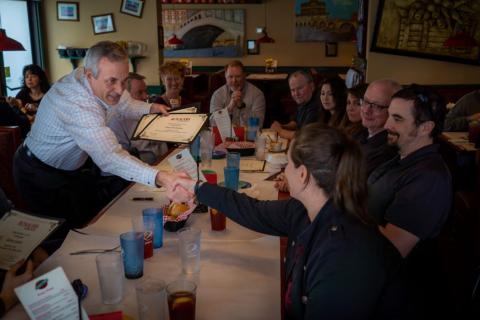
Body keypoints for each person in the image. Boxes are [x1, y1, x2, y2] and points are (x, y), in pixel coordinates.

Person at [174, 124, 407, 319]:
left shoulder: (345, 255)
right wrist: (197, 188)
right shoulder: (309, 209)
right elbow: (253, 210)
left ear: (303, 174)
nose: (284, 170)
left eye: (288, 163)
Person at [13, 41, 189, 237]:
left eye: (124, 81)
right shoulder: (76, 103)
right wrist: (162, 177)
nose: (119, 89)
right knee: (58, 238)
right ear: (89, 76)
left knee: (82, 228)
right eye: (112, 81)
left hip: (70, 173)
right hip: (37, 174)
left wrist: (151, 108)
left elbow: (125, 103)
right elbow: (110, 156)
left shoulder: (97, 76)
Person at [367, 84, 452, 317]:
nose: (386, 125)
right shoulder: (401, 157)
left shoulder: (428, 178)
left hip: (395, 296)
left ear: (426, 127)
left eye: (397, 119)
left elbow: (391, 251)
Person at [107, 72, 167, 165]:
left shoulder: (149, 110)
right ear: (125, 96)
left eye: (145, 91)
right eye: (139, 92)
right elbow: (121, 158)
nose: (145, 96)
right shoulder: (117, 121)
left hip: (162, 162)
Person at [355, 79, 401, 176]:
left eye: (376, 106)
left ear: (393, 111)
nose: (366, 110)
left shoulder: (386, 153)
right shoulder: (360, 133)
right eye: (365, 101)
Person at [210, 60, 265, 128]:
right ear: (225, 76)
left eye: (238, 76)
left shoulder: (257, 94)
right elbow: (212, 123)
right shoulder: (217, 94)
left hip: (248, 136)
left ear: (244, 75)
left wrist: (241, 107)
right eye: (230, 77)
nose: (234, 81)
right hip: (225, 136)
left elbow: (259, 125)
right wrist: (229, 107)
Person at [271, 70, 324, 140]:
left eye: (300, 88)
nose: (296, 94)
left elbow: (302, 136)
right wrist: (282, 126)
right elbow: (296, 123)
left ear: (312, 86)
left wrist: (280, 131)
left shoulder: (316, 106)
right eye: (293, 90)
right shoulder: (304, 100)